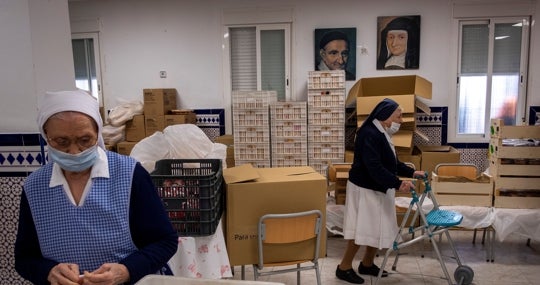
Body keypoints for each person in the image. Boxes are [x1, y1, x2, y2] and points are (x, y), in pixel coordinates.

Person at [15, 90, 178, 285]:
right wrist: (48, 272)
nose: (74, 151)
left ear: (98, 133)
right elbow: (24, 258)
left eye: (85, 140)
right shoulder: (35, 186)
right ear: (46, 136)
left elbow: (165, 241)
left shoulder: (129, 174)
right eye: (61, 142)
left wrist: (126, 270)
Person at [335, 98, 425, 284]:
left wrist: (411, 172)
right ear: (385, 116)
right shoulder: (369, 134)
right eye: (399, 117)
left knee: (376, 227)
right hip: (365, 188)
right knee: (362, 229)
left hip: (377, 187)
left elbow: (392, 163)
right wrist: (398, 183)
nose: (401, 121)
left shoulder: (381, 132)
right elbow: (373, 167)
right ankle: (343, 267)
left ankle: (367, 264)